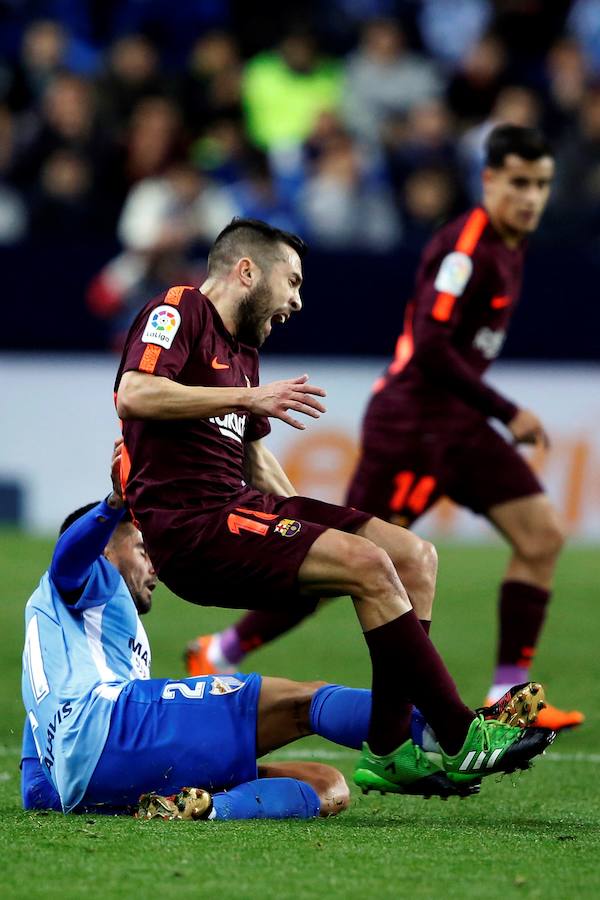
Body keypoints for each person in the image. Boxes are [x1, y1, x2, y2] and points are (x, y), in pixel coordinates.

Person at [113, 216, 553, 797]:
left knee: (413, 554)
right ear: (247, 271)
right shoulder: (179, 309)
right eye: (291, 282)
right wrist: (250, 397)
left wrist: (297, 517)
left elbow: (254, 456)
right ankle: (461, 733)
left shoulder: (242, 349)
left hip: (237, 507)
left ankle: (391, 750)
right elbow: (134, 392)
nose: (297, 300)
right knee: (367, 564)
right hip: (192, 529)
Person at [187, 129, 583, 733]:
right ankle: (221, 653)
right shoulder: (466, 249)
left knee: (541, 535)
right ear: (490, 182)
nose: (531, 198)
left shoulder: (512, 246)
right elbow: (428, 345)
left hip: (458, 425)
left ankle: (508, 691)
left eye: (542, 185)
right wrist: (507, 411)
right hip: (413, 425)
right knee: (345, 562)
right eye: (520, 184)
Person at [20, 443, 546, 818]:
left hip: (94, 780)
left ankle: (205, 809)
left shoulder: (62, 651)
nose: (153, 563)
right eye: (141, 547)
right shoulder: (88, 580)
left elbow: (37, 791)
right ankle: (446, 731)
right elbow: (67, 560)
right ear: (106, 546)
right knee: (304, 701)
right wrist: (113, 506)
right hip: (119, 727)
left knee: (327, 786)